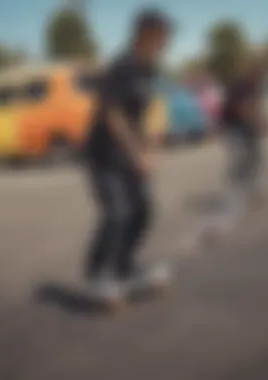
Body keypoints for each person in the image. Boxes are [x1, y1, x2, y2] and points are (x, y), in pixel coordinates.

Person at [84, 8, 173, 301]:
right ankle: (97, 275)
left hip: (129, 154)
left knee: (144, 211)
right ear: (146, 35)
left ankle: (123, 268)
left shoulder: (150, 70)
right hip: (104, 155)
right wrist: (138, 153)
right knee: (118, 213)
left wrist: (149, 150)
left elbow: (146, 113)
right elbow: (113, 114)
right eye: (162, 37)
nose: (166, 44)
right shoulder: (121, 66)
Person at [197, 61, 268, 244]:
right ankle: (223, 218)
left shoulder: (256, 86)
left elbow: (257, 106)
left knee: (255, 159)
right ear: (254, 73)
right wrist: (257, 120)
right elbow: (241, 108)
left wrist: (261, 120)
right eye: (260, 74)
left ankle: (252, 192)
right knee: (239, 166)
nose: (262, 78)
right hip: (234, 130)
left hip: (247, 129)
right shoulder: (242, 85)